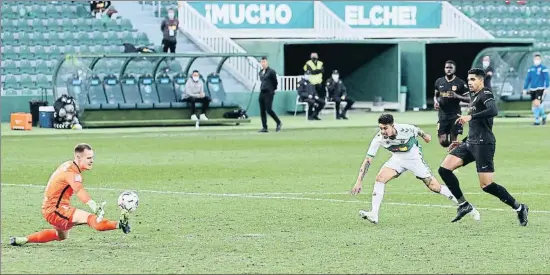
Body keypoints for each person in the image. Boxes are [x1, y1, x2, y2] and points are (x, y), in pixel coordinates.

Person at [439, 68, 529, 226]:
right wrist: (462, 141)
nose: (470, 82)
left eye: (473, 79)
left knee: (486, 185)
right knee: (444, 169)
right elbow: (476, 125)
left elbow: (494, 110)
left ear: (481, 80)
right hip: (470, 143)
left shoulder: (486, 93)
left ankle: (520, 207)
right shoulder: (473, 97)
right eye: (468, 80)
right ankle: (464, 205)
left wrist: (470, 116)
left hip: (484, 144)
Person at [350, 114, 472, 224]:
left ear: (392, 126)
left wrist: (425, 136)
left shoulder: (405, 129)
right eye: (381, 128)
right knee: (380, 178)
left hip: (414, 158)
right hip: (397, 158)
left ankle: (465, 205)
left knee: (434, 187)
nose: (383, 131)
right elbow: (368, 160)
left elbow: (416, 129)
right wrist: (359, 181)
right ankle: (374, 214)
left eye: (385, 128)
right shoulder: (378, 138)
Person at [10, 143, 131, 246]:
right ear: (78, 158)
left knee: (61, 236)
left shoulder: (68, 165)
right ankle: (119, 224)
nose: (92, 160)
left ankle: (24, 239)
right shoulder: (72, 173)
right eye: (88, 158)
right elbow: (79, 190)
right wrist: (93, 204)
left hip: (50, 208)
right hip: (56, 210)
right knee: (89, 218)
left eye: (92, 157)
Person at [434, 60, 470, 148]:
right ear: (444, 69)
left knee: (454, 139)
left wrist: (456, 96)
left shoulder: (460, 83)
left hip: (455, 115)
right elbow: (436, 95)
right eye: (447, 68)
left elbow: (469, 99)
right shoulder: (439, 81)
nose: (448, 69)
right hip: (442, 115)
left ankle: (454, 156)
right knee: (443, 141)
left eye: (450, 68)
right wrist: (436, 102)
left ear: (454, 69)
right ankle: (460, 145)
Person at [522, 53, 548, 125]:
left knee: (537, 103)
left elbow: (547, 78)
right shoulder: (531, 69)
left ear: (540, 60)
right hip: (532, 89)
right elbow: (528, 79)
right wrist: (525, 88)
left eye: (538, 59)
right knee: (535, 104)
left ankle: (537, 121)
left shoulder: (543, 68)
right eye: (536, 59)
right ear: (533, 60)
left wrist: (547, 87)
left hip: (540, 88)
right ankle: (544, 116)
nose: (537, 60)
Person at [258, 56, 282, 132]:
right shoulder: (261, 72)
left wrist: (273, 89)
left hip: (269, 93)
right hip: (262, 92)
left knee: (269, 109)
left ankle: (278, 122)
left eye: (264, 62)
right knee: (262, 110)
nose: (263, 63)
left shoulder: (271, 71)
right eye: (262, 62)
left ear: (267, 62)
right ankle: (264, 127)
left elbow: (275, 82)